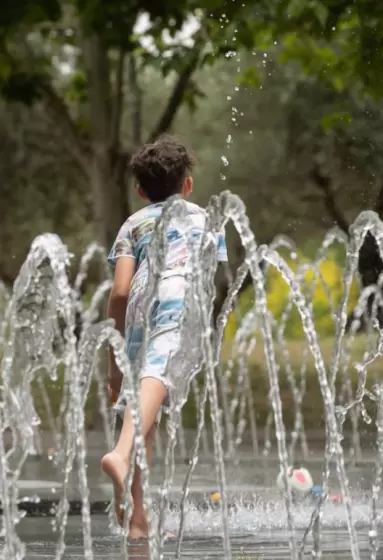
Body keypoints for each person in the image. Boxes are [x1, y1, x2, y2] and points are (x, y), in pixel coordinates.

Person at [101, 135, 228, 539]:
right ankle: (121, 455)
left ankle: (139, 523)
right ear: (187, 185)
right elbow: (210, 277)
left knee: (146, 411)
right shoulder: (206, 218)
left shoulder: (133, 224)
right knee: (158, 374)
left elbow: (119, 292)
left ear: (140, 190)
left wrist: (113, 365)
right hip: (180, 295)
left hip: (141, 297)